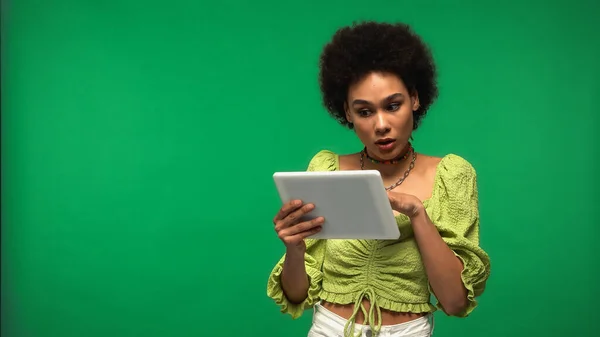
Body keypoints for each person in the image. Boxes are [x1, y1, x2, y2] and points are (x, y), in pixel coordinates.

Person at [266, 21, 491, 337]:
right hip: (329, 328)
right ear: (347, 112)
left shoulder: (451, 175)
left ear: (415, 99)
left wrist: (417, 214)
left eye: (393, 105)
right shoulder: (326, 168)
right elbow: (296, 295)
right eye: (365, 111)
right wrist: (294, 248)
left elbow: (454, 301)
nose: (381, 124)